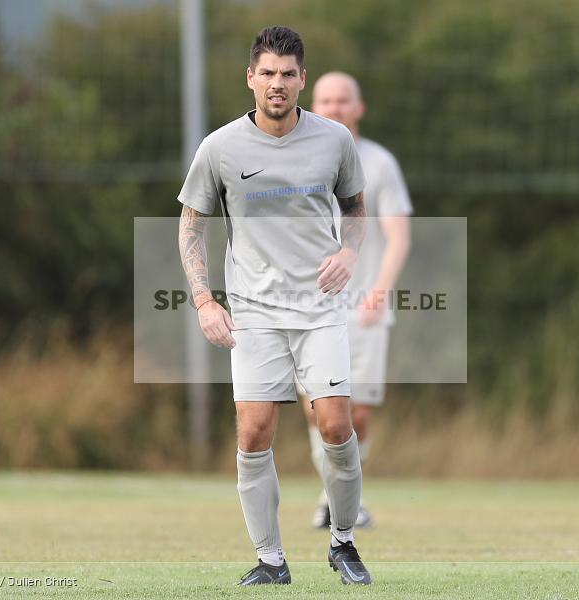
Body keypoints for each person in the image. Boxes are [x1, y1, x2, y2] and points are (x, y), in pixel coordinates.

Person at [177, 27, 372, 586]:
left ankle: (343, 541)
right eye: (267, 73)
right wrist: (204, 300)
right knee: (254, 432)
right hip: (255, 312)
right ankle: (271, 560)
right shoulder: (220, 147)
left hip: (320, 307)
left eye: (288, 74)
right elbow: (192, 222)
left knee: (335, 425)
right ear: (251, 79)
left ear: (302, 79)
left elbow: (357, 208)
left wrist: (350, 252)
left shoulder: (334, 140)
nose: (277, 84)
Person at [301, 72, 413, 529]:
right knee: (319, 411)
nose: (335, 107)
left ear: (358, 107)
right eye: (326, 100)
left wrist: (378, 293)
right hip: (307, 308)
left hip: (363, 310)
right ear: (313, 105)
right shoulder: (297, 159)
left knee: (356, 412)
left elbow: (398, 237)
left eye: (343, 100)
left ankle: (342, 498)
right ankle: (337, 498)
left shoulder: (380, 164)